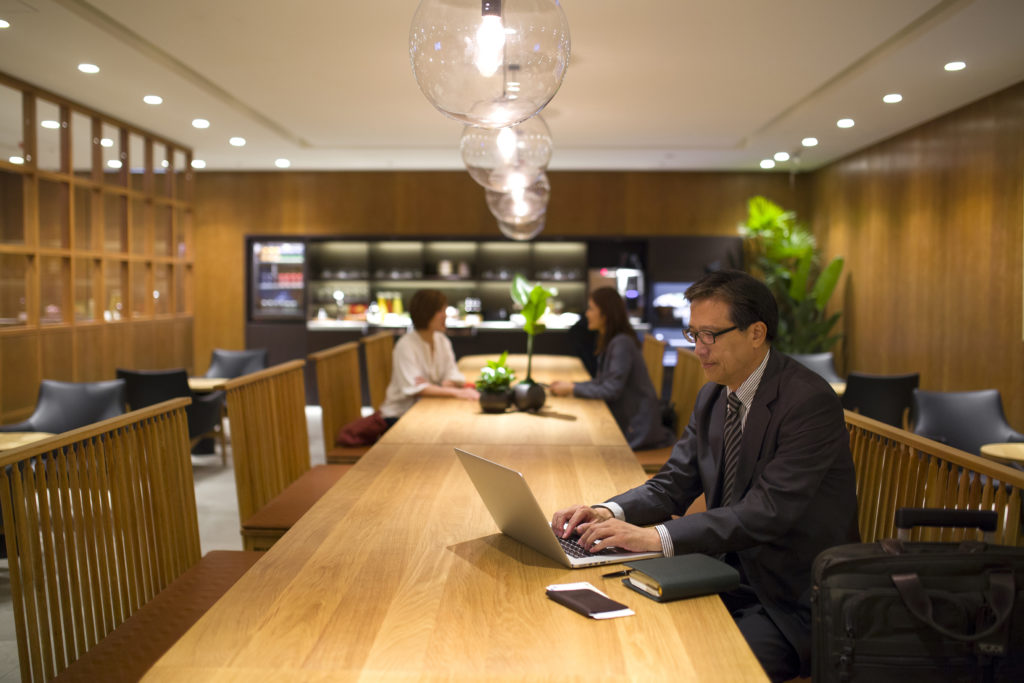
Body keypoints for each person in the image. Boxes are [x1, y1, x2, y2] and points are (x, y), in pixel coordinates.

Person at [551, 270, 859, 682]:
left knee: (700, 669)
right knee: (617, 632)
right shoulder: (714, 394)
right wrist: (609, 511)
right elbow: (673, 482)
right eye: (693, 333)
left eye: (710, 335)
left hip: (786, 597)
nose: (698, 348)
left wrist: (655, 537)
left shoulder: (807, 401)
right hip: (719, 570)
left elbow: (768, 511)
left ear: (756, 333)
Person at [550, 288, 675, 450]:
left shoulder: (621, 343)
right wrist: (571, 386)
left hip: (636, 430)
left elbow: (611, 390)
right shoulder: (614, 340)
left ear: (605, 313)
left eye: (591, 309)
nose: (586, 314)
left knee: (580, 442)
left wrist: (573, 388)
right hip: (630, 422)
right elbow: (603, 382)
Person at [379, 289, 479, 422]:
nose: (445, 316)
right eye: (440, 311)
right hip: (400, 414)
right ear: (425, 313)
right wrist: (454, 391)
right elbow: (416, 388)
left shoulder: (441, 340)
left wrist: (434, 386)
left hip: (428, 406)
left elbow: (451, 374)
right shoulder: (406, 345)